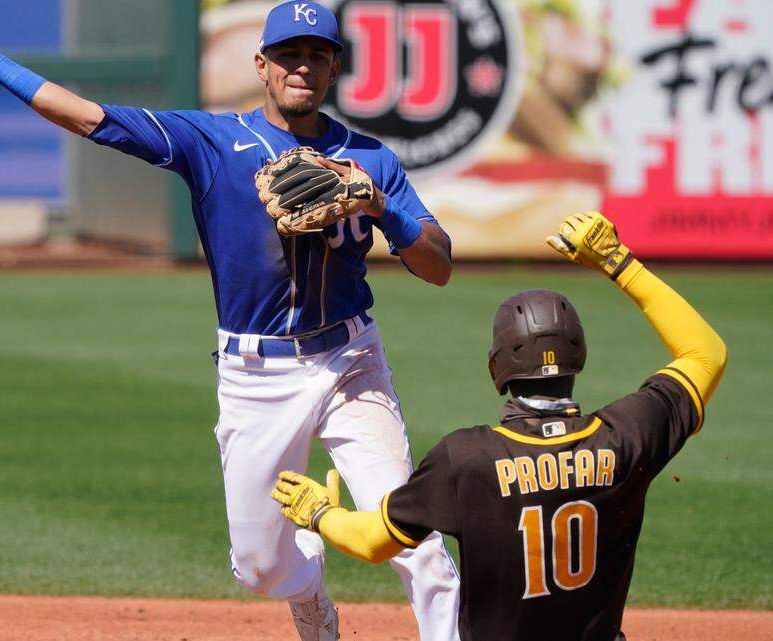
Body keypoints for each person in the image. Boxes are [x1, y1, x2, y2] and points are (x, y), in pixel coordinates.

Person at [0, 3, 460, 640]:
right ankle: (307, 588)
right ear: (261, 65)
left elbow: (438, 265)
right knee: (259, 568)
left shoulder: (370, 159)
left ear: (334, 68)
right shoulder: (212, 142)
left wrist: (380, 206)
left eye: (317, 55)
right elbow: (92, 119)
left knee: (413, 536)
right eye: (288, 54)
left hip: (351, 362)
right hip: (256, 374)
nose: (302, 67)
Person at [273, 211, 728, 641]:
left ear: (498, 367)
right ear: (578, 356)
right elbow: (706, 354)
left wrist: (321, 514)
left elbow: (373, 543)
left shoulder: (467, 459)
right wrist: (618, 262)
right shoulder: (628, 434)